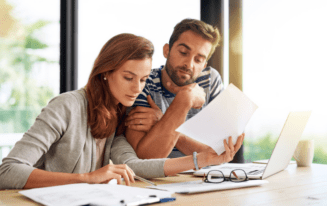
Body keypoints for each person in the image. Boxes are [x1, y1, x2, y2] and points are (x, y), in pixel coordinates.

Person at [0, 33, 244, 190]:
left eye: (143, 79)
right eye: (128, 77)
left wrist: (202, 160)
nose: (136, 88)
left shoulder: (118, 113)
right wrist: (88, 178)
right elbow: (8, 171)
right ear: (106, 72)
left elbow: (133, 165)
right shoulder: (66, 106)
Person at [125, 19, 243, 159]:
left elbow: (219, 152)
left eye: (198, 60)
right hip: (161, 178)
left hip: (204, 176)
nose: (189, 64)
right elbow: (146, 157)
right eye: (183, 52)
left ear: (204, 65)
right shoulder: (144, 82)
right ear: (166, 50)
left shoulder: (210, 80)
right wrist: (185, 99)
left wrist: (162, 123)